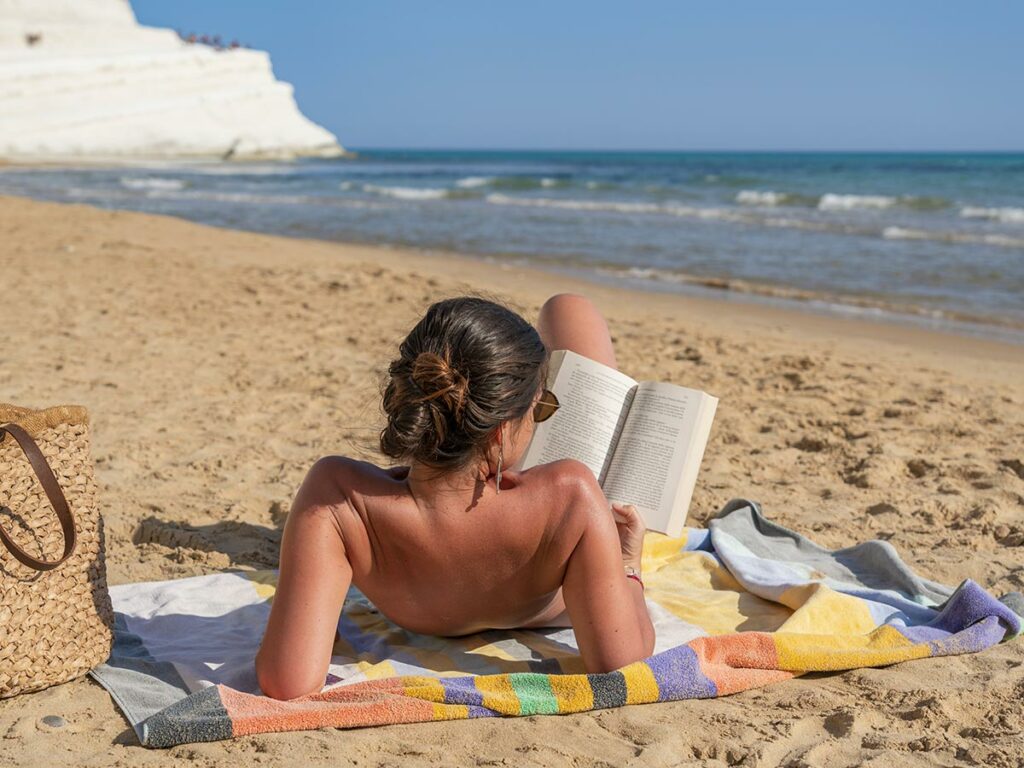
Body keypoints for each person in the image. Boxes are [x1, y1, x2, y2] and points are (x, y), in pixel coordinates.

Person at [256, 293, 654, 700]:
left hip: (432, 556)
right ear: (501, 432)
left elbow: (287, 682)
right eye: (538, 411)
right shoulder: (572, 494)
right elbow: (619, 663)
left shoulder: (340, 498)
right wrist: (628, 566)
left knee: (564, 310)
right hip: (546, 554)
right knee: (569, 309)